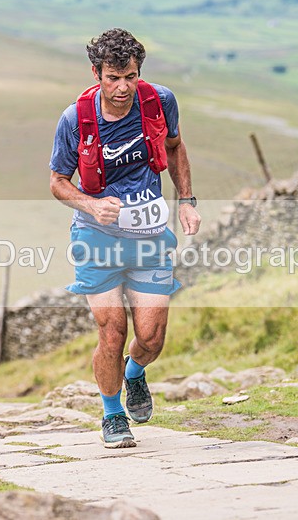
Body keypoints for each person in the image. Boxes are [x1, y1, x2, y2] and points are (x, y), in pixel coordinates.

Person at [49, 28, 201, 448]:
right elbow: (58, 182)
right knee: (112, 331)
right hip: (96, 235)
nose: (122, 88)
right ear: (96, 72)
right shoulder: (75, 119)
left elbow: (174, 147)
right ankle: (112, 414)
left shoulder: (160, 101)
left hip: (150, 234)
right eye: (113, 77)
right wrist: (91, 204)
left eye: (130, 76)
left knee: (151, 338)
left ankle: (135, 373)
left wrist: (186, 199)